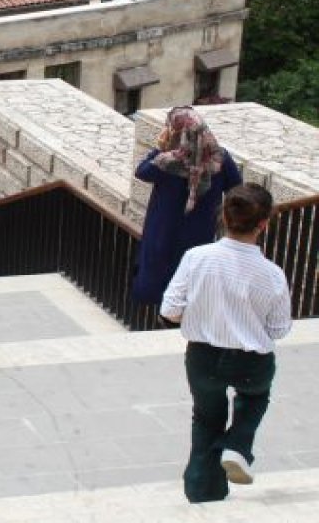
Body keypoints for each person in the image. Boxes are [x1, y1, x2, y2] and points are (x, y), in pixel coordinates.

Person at [160, 183, 291, 504]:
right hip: (251, 360)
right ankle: (236, 446)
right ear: (264, 224)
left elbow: (169, 311)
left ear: (225, 216)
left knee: (206, 418)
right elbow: (278, 329)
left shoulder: (196, 258)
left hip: (203, 356)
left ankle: (202, 491)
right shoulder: (272, 275)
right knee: (254, 399)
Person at [134, 106, 242, 305]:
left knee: (160, 285)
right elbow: (236, 188)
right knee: (191, 283)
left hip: (163, 231)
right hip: (201, 232)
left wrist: (160, 147)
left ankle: (162, 320)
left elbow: (141, 172)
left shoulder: (168, 161)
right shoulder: (220, 158)